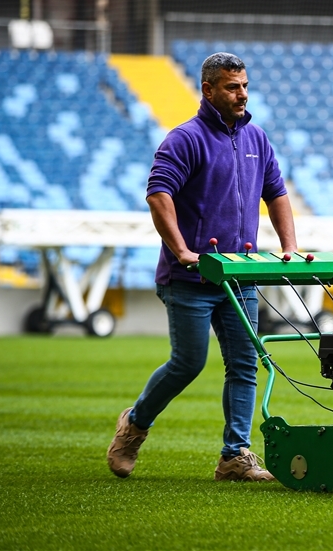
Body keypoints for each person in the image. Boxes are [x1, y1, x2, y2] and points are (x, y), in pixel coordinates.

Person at [107, 52, 297, 482]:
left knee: (245, 364)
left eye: (245, 85)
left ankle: (235, 456)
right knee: (188, 363)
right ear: (208, 90)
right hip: (190, 276)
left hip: (240, 274)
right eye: (233, 87)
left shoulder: (258, 140)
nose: (242, 94)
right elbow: (159, 195)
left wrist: (289, 246)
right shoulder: (184, 139)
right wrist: (180, 250)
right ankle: (133, 427)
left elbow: (278, 193)